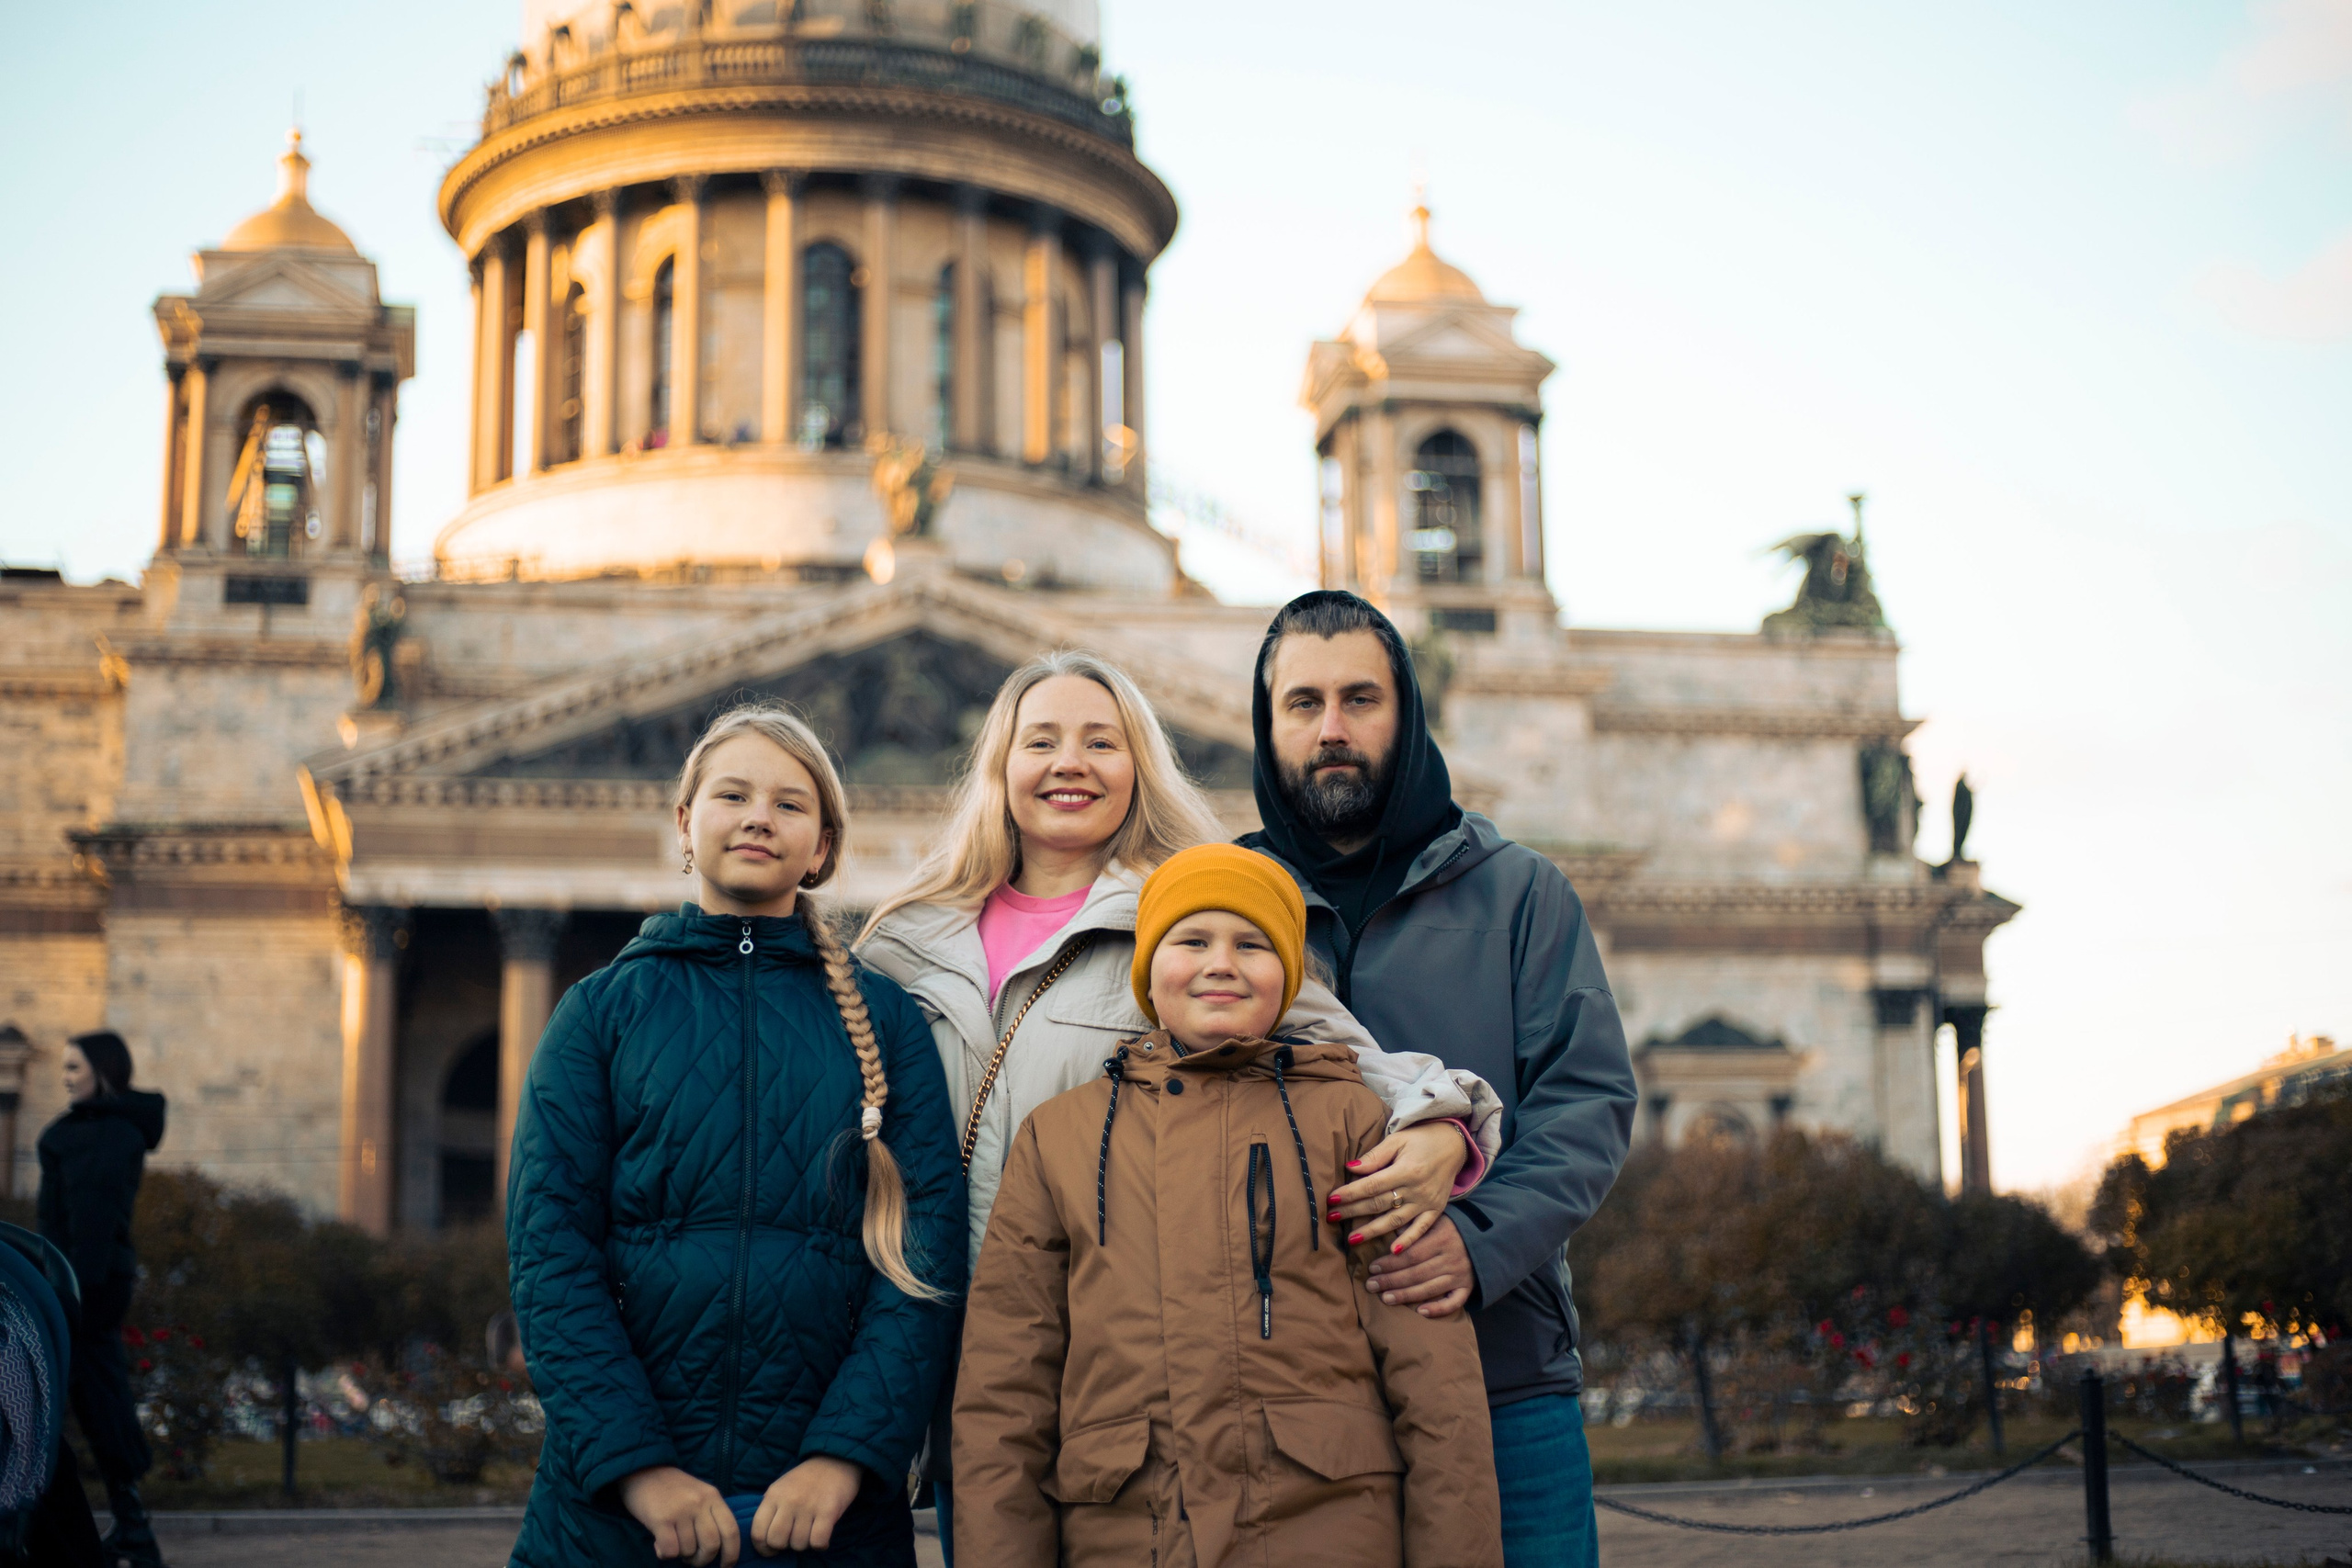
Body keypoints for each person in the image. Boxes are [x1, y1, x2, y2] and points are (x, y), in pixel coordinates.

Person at [855, 651, 1501, 1559]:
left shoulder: (1191, 918)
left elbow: (1344, 1066)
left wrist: (1442, 1127)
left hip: (1106, 1368)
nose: (1069, 763)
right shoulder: (903, 939)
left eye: (1101, 742)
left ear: (1139, 768)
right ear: (998, 764)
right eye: (1040, 741)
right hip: (945, 1350)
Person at [953, 843, 1502, 1567]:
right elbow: (1005, 1387)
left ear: (1290, 976)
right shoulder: (1059, 1137)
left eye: (1252, 944)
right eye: (1192, 940)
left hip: (1328, 1532)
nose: (1221, 962)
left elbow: (1437, 1388)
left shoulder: (1354, 1121)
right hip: (1127, 1535)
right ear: (1148, 969)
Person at [506, 704, 962, 1567]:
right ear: (685, 822)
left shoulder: (886, 1019)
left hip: (828, 1516)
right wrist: (640, 1471)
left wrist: (842, 1459)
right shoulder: (600, 1014)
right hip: (618, 1515)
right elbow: (548, 1252)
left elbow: (926, 1249)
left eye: (792, 804)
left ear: (823, 846)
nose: (760, 815)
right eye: (734, 793)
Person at [1243, 592, 1639, 1568]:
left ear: (1406, 712)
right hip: (1290, 1397)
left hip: (1500, 1371)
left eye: (1359, 699)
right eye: (1301, 705)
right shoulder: (1219, 904)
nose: (1330, 730)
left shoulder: (1521, 891)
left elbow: (1585, 1104)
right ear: (1266, 726)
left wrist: (1477, 1244)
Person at [36, 1030, 165, 1568]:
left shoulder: (98, 1136)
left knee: (71, 1397)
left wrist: (69, 1295)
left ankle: (123, 1528)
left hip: (83, 1286)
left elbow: (89, 1222)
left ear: (103, 1072)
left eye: (74, 1068)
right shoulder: (91, 1133)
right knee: (90, 1394)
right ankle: (130, 1525)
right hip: (83, 1283)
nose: (66, 1077)